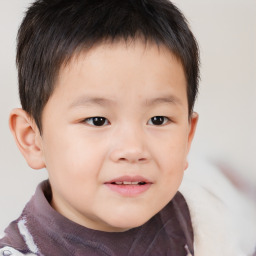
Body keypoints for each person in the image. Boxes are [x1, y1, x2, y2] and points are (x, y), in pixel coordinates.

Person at [0, 0, 255, 255]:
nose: (133, 149)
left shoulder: (200, 218)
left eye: (158, 120)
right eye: (97, 120)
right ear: (31, 138)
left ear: (188, 136)